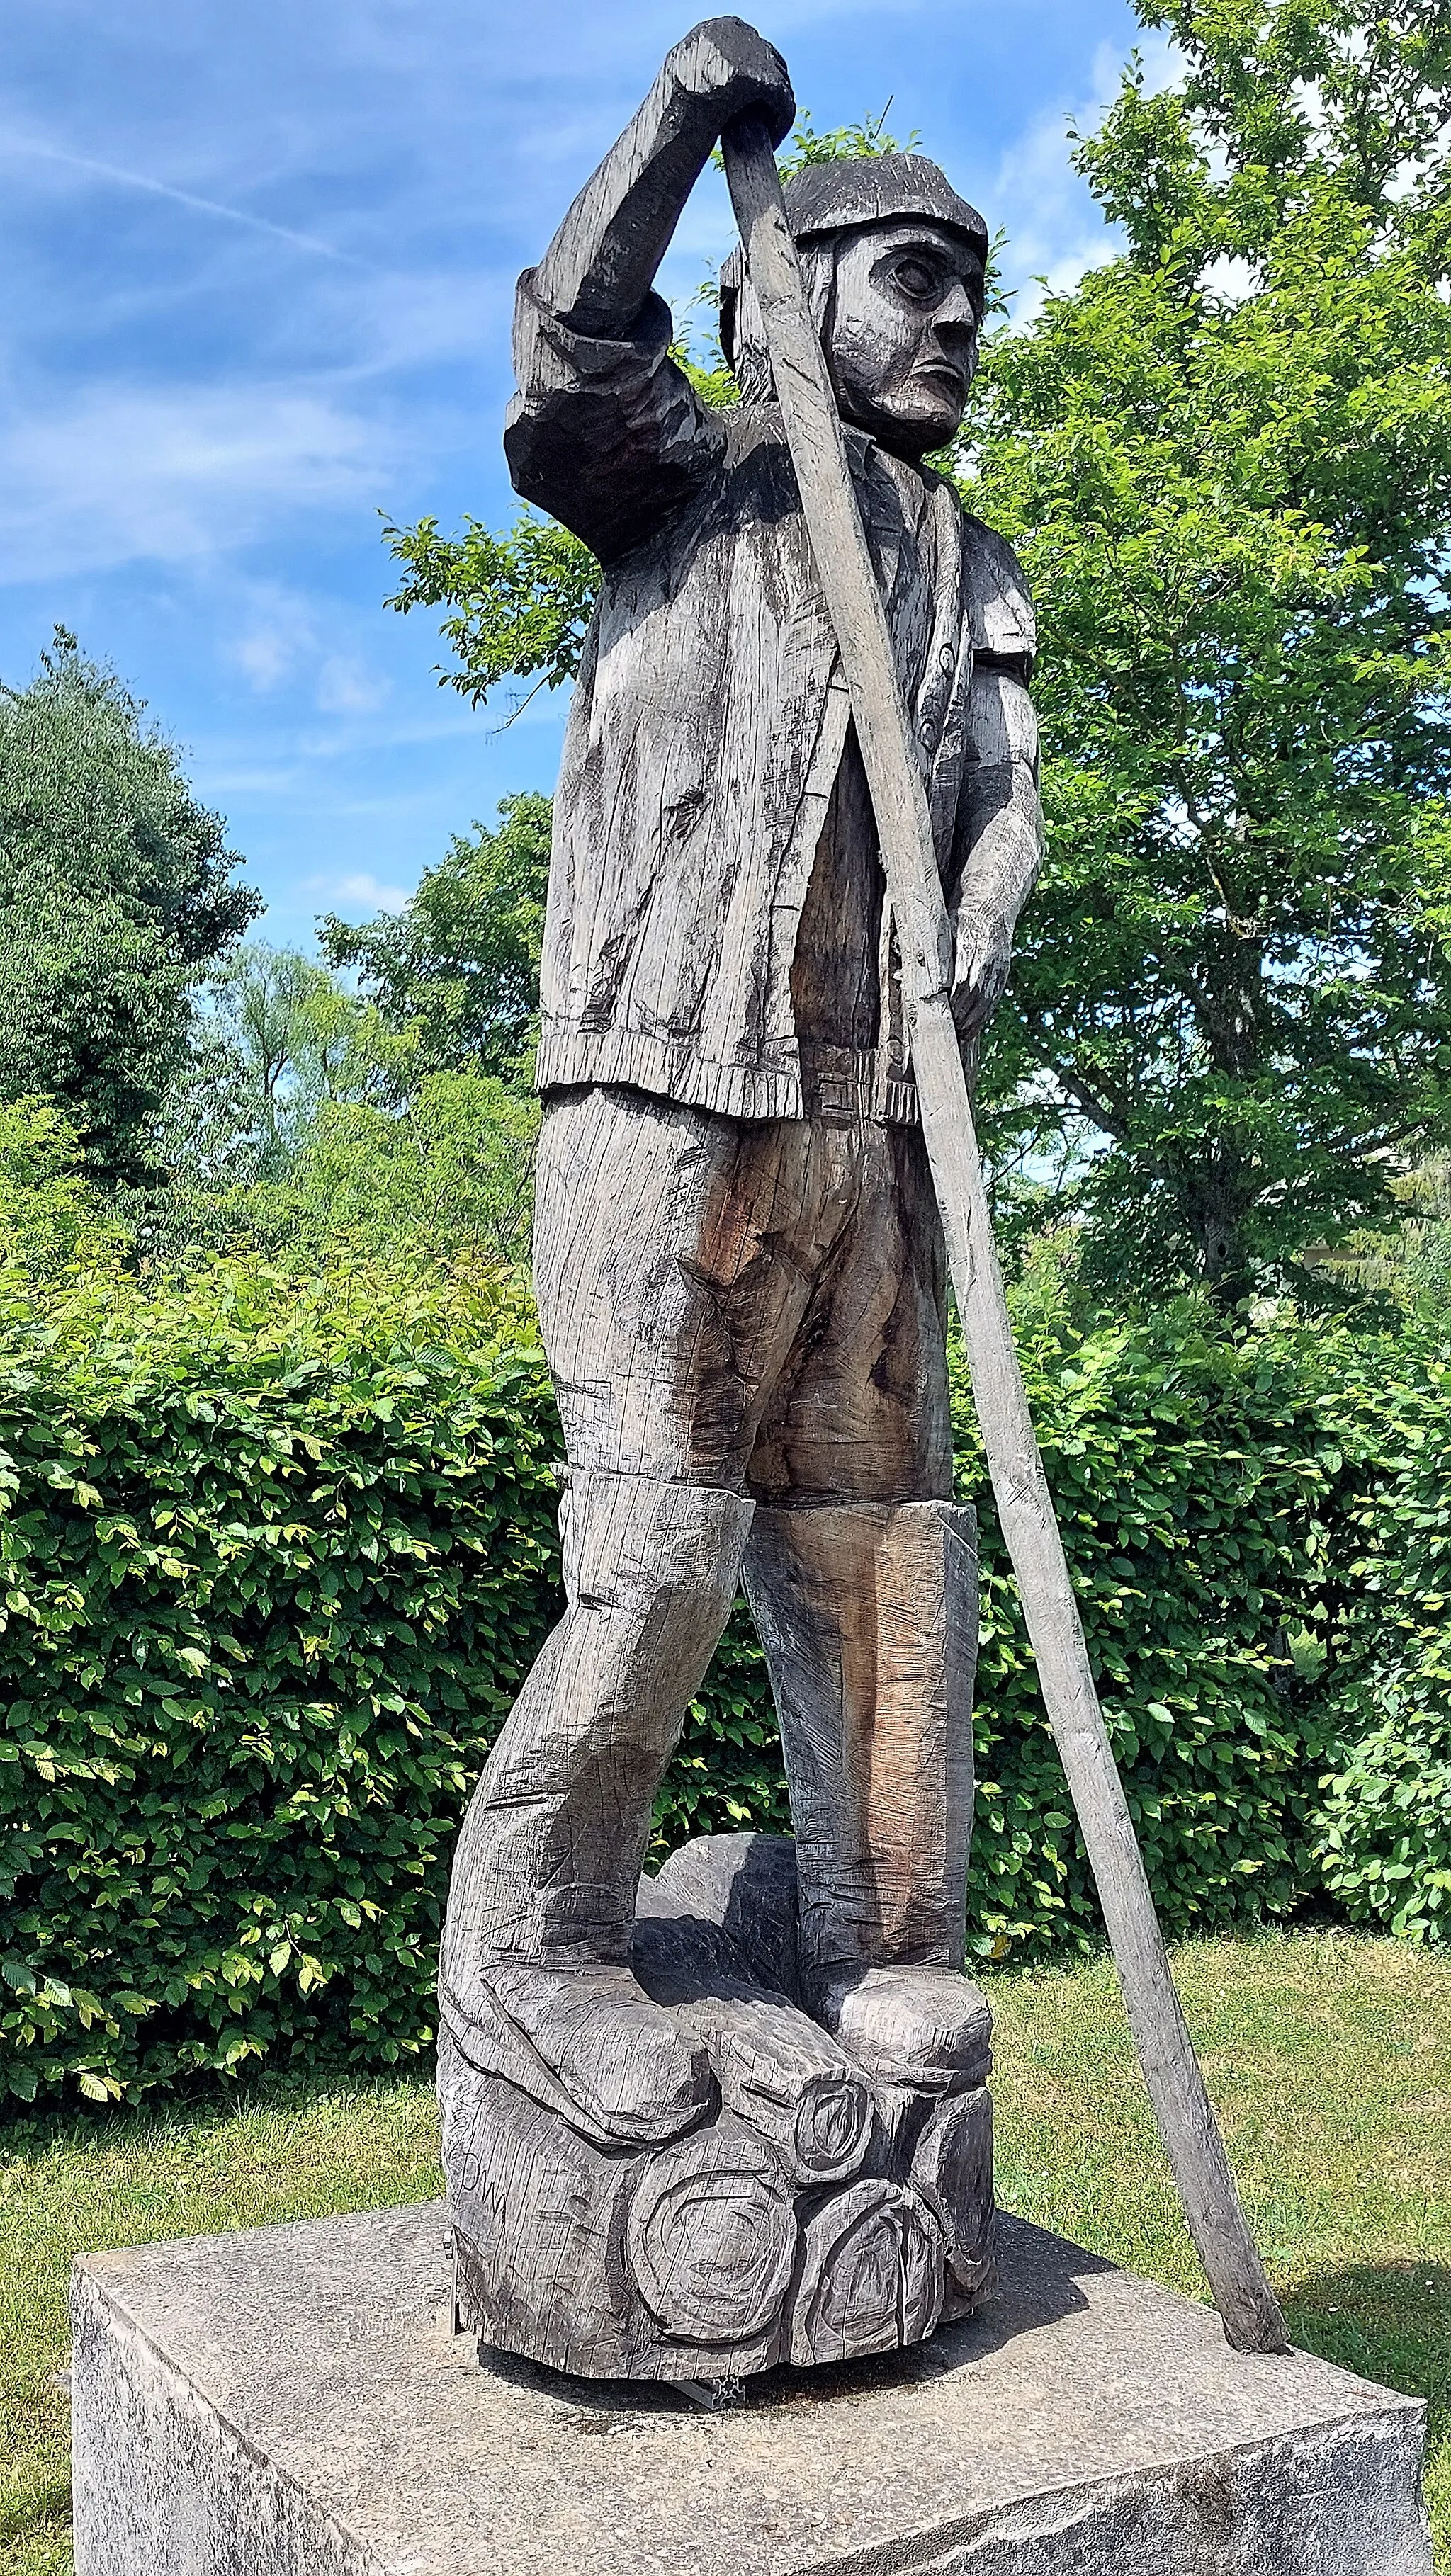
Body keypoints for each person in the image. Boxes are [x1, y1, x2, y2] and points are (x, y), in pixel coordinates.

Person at [439, 18, 1042, 2150]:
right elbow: (561, 349)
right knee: (664, 1541)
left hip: (872, 1117)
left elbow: (999, 798)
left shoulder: (965, 559)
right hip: (675, 1083)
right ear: (778, 300)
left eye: (975, 285)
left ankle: (876, 1937)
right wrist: (685, 123)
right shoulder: (698, 474)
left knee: (878, 1541)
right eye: (914, 276)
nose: (960, 316)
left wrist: (977, 907)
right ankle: (532, 1952)